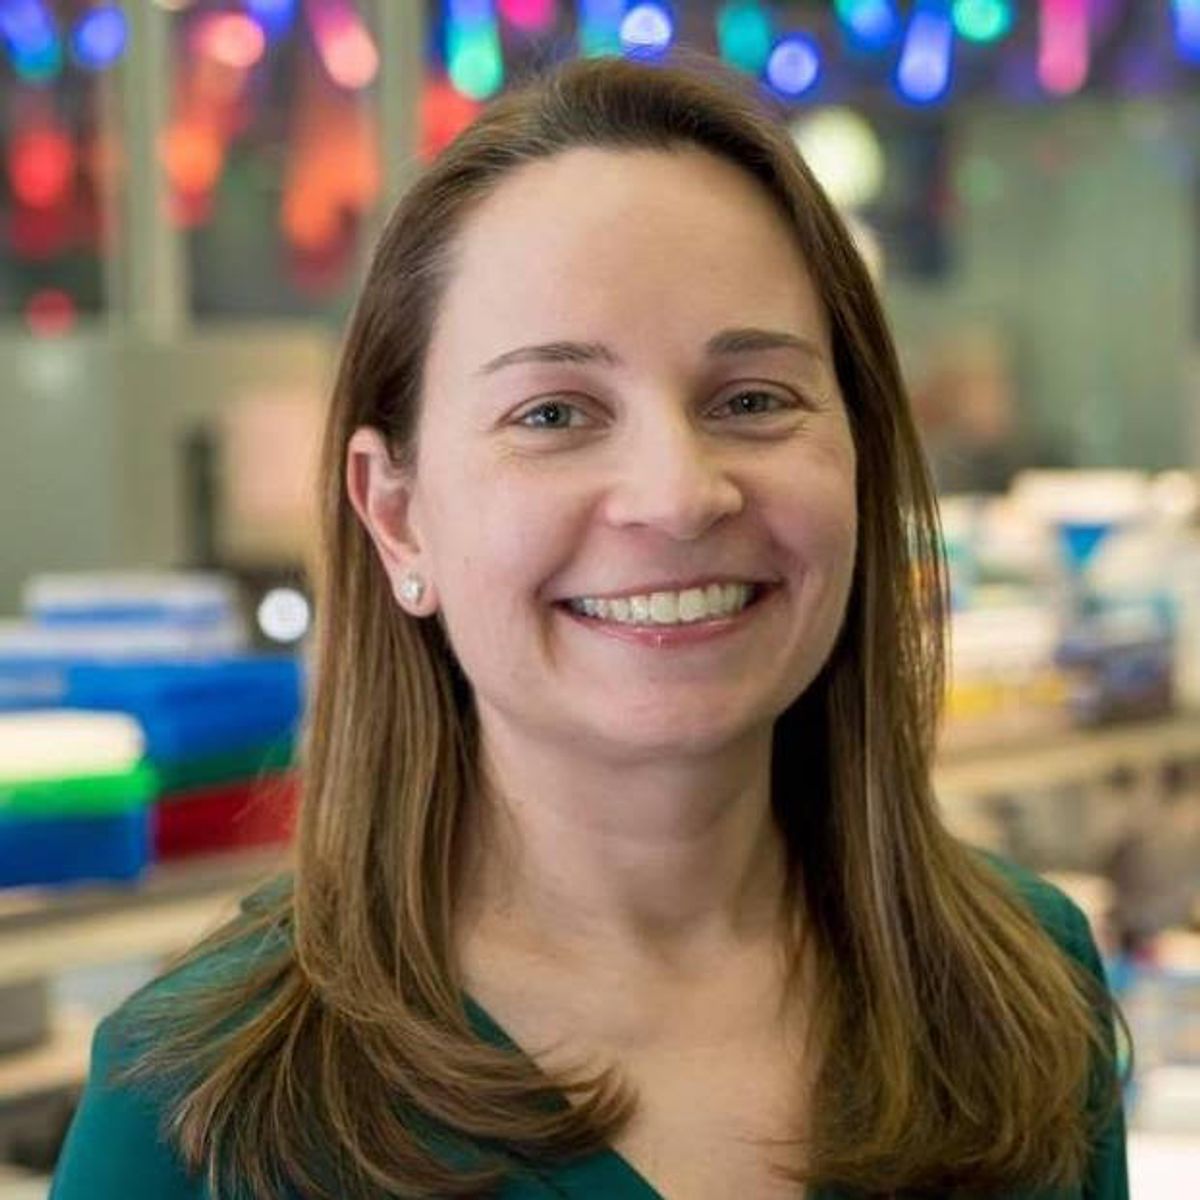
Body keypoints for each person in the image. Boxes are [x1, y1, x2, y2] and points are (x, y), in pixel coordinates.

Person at [51, 56, 1129, 1199]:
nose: (676, 495)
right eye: (554, 413)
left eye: (753, 400)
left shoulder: (1023, 991)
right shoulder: (198, 1107)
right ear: (398, 517)